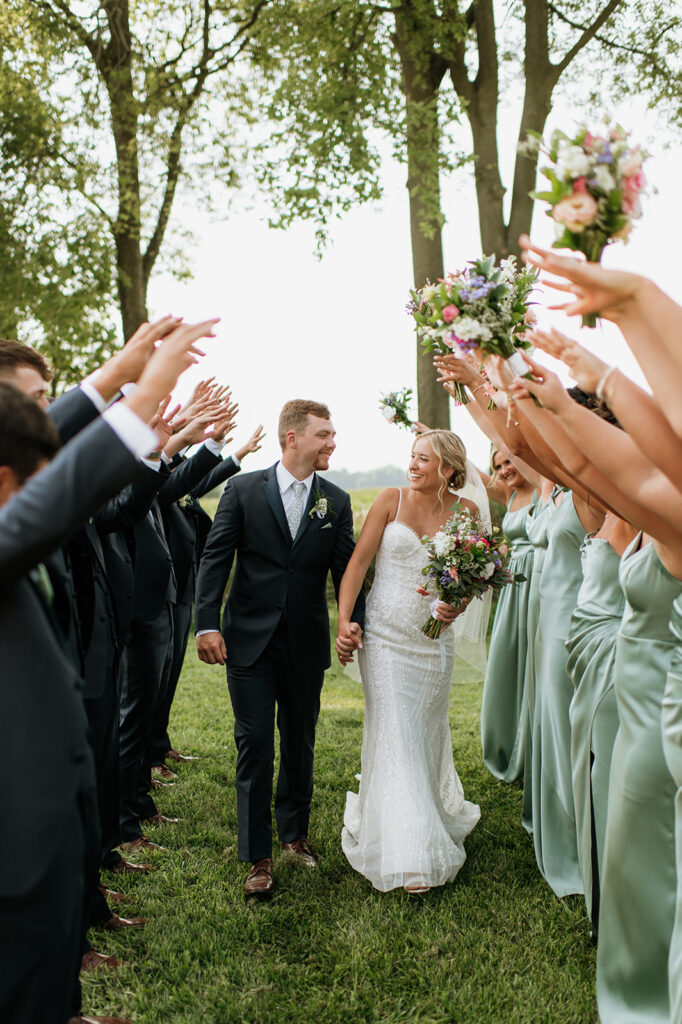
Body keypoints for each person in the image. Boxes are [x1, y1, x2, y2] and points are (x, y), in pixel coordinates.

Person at [0, 317, 214, 1024]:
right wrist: (142, 392)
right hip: (14, 839)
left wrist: (119, 377)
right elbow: (56, 493)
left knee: (48, 959)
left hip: (48, 818)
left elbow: (44, 460)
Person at [194, 399, 364, 898]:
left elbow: (346, 571)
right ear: (292, 438)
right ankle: (257, 856)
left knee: (299, 744)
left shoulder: (336, 500)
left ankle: (294, 836)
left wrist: (351, 623)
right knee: (254, 747)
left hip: (305, 644)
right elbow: (215, 558)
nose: (332, 443)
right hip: (247, 642)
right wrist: (207, 624)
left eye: (332, 435)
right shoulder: (243, 490)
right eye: (324, 435)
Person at [335, 430, 481, 894]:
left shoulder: (468, 513)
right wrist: (344, 621)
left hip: (434, 641)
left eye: (424, 460)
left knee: (421, 729)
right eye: (412, 457)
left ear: (449, 471)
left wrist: (456, 605)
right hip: (385, 637)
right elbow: (358, 564)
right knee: (395, 726)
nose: (413, 466)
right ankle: (409, 850)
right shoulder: (389, 500)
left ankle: (426, 810)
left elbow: (472, 578)